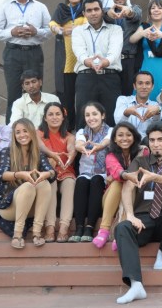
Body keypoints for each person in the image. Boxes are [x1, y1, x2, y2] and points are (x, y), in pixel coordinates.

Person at [113, 122, 162, 304]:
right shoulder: (140, 162)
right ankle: (136, 284)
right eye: (152, 140)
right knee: (122, 228)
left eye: (160, 140)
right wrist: (130, 215)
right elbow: (128, 187)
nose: (156, 144)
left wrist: (154, 177)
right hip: (144, 220)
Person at [0, 0, 51, 122]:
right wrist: (11, 32)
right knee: (14, 93)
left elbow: (50, 31)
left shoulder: (40, 7)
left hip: (34, 52)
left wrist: (36, 32)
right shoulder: (5, 7)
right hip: (13, 53)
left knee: (35, 92)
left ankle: (37, 127)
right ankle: (12, 130)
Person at [0, 118, 55, 248]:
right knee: (28, 186)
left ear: (32, 133)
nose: (22, 135)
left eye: (25, 131)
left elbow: (52, 171)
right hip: (9, 207)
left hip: (31, 207)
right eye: (18, 132)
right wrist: (20, 174)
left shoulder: (38, 154)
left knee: (44, 183)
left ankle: (37, 233)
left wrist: (47, 174)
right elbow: (1, 174)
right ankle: (17, 234)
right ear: (14, 135)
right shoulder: (7, 152)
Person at [92, 122, 145, 250]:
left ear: (134, 137)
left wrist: (128, 178)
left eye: (128, 135)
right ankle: (104, 230)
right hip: (111, 200)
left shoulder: (142, 152)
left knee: (129, 183)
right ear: (114, 139)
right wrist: (126, 176)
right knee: (118, 183)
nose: (124, 138)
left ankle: (121, 232)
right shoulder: (110, 155)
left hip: (135, 199)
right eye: (120, 135)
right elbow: (116, 171)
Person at [71, 0, 123, 127]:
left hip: (109, 77)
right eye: (89, 10)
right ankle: (83, 141)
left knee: (111, 118)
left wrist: (104, 62)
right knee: (84, 119)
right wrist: (89, 62)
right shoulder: (77, 31)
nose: (93, 13)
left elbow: (114, 52)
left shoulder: (115, 29)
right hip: (86, 77)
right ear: (84, 13)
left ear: (102, 11)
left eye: (96, 9)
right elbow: (79, 52)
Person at [70, 102, 112, 242]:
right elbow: (78, 143)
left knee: (96, 180)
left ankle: (89, 227)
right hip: (86, 172)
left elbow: (107, 141)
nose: (91, 118)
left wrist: (98, 146)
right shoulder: (82, 132)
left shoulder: (111, 130)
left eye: (94, 114)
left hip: (103, 173)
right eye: (87, 115)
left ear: (103, 115)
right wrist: (82, 147)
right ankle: (79, 227)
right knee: (81, 181)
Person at [49, 0, 87, 130]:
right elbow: (52, 24)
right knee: (67, 102)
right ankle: (69, 131)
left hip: (83, 64)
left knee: (83, 101)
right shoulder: (61, 9)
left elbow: (89, 24)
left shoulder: (87, 8)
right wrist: (60, 30)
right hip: (67, 65)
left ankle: (83, 131)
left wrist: (75, 29)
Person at [37, 102, 76, 243]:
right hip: (47, 171)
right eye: (51, 114)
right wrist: (52, 155)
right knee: (50, 184)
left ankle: (64, 227)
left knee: (70, 183)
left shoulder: (70, 136)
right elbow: (40, 146)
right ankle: (50, 227)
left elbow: (71, 147)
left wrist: (72, 153)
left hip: (65, 170)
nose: (54, 117)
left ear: (63, 117)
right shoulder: (38, 133)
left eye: (58, 114)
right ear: (45, 118)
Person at [129, 0, 162, 100]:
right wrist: (143, 33)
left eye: (159, 8)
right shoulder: (144, 26)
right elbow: (132, 39)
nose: (156, 10)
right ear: (149, 12)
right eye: (153, 8)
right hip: (145, 67)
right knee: (143, 93)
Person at [104, 0, 142, 96]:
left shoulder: (135, 8)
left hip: (129, 61)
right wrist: (108, 14)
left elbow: (135, 15)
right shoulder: (106, 11)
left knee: (128, 97)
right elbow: (104, 16)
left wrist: (128, 12)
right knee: (111, 97)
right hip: (111, 62)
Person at [114, 71, 162, 139]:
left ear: (152, 87)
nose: (144, 87)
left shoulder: (155, 106)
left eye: (147, 83)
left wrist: (157, 111)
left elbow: (156, 125)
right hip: (126, 141)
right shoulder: (123, 100)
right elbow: (118, 123)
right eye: (140, 83)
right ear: (134, 86)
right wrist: (126, 113)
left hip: (146, 143)